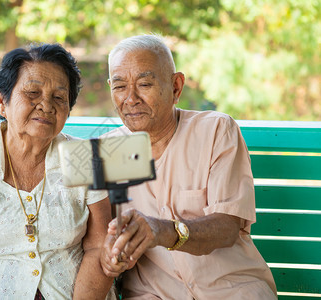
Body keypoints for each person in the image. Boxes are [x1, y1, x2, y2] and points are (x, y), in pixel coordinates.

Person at [100, 34, 277, 299]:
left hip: (231, 290)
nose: (130, 98)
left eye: (144, 83)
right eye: (119, 86)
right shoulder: (109, 152)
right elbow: (98, 242)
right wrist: (110, 257)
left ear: (175, 87)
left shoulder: (215, 131)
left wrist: (163, 231)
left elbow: (227, 227)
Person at [0, 43, 115, 300]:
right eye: (32, 92)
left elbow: (98, 247)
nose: (46, 105)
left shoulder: (84, 158)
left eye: (59, 98)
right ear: (2, 102)